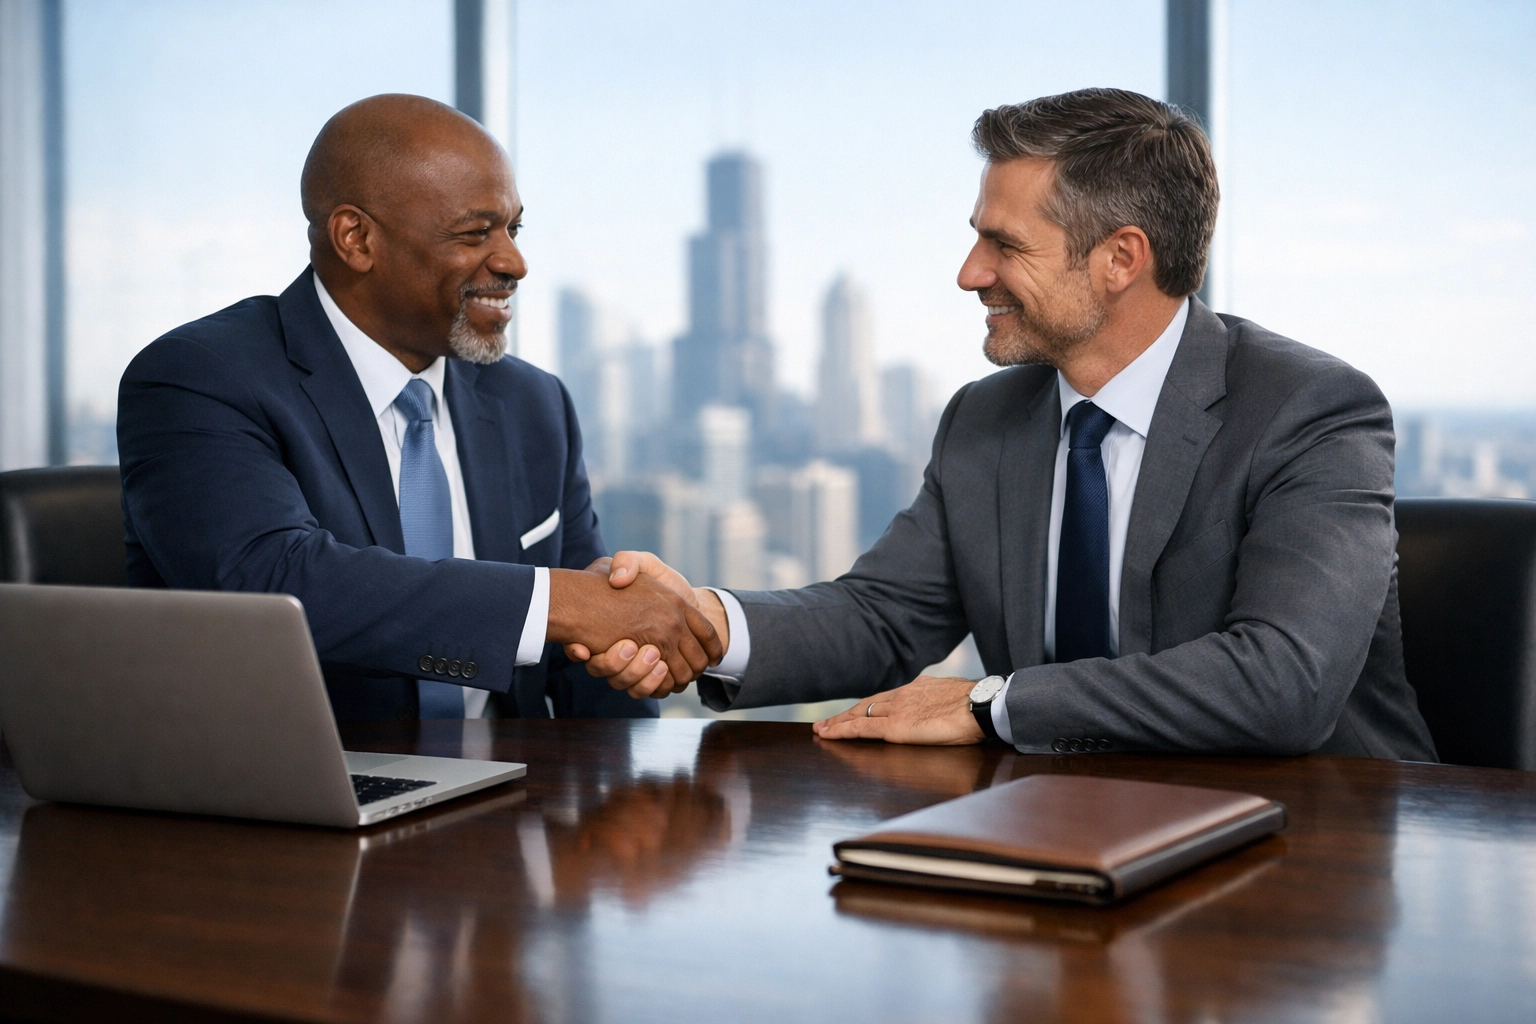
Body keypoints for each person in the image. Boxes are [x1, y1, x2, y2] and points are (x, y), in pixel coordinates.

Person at [577, 87, 1436, 760]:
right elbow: (883, 618)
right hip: (1058, 828)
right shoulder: (986, 419)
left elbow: (1283, 683)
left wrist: (991, 705)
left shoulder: (1309, 411)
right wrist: (710, 626)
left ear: (1120, 260)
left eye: (1006, 246)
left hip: (1313, 846)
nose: (968, 273)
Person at [117, 94, 719, 724]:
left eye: (513, 228)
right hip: (294, 799)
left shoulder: (532, 403)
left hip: (514, 794)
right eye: (474, 232)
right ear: (356, 238)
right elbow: (276, 584)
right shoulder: (201, 377)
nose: (514, 262)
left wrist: (627, 787)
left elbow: (588, 658)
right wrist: (557, 600)